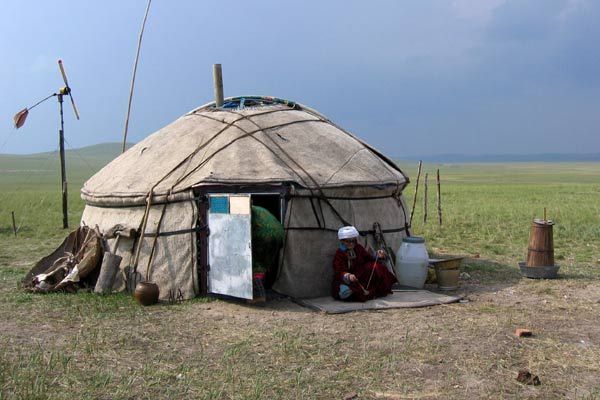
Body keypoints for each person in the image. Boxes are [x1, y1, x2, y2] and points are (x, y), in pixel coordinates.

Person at [331, 226, 397, 302]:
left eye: (353, 241)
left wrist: (377, 255)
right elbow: (338, 271)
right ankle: (363, 293)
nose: (351, 243)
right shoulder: (339, 254)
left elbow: (368, 257)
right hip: (348, 279)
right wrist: (348, 276)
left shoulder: (358, 248)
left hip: (361, 275)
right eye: (348, 241)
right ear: (342, 241)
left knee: (377, 267)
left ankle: (375, 291)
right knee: (347, 291)